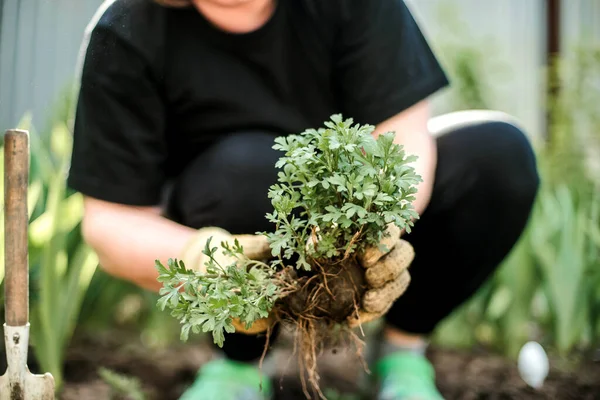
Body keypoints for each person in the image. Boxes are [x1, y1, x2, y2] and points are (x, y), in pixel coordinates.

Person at [67, 0, 540, 398]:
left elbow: (404, 138)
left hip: (349, 211)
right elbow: (110, 222)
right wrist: (205, 265)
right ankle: (239, 366)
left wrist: (374, 233)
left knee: (498, 157)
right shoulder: (128, 31)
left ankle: (403, 354)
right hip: (226, 206)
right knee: (239, 172)